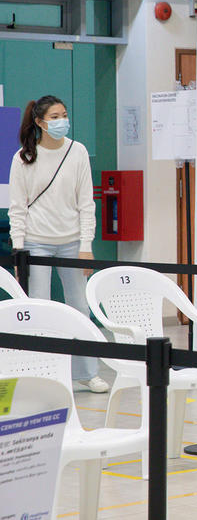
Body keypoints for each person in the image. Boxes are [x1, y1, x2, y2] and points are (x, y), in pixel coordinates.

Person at [9, 95, 109, 393]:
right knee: (37, 308)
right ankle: (41, 371)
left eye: (63, 114)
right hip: (35, 243)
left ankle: (87, 373)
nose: (61, 121)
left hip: (72, 242)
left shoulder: (77, 152)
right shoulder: (23, 157)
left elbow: (86, 203)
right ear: (39, 122)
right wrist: (19, 250)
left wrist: (86, 244)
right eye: (54, 116)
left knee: (79, 307)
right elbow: (18, 208)